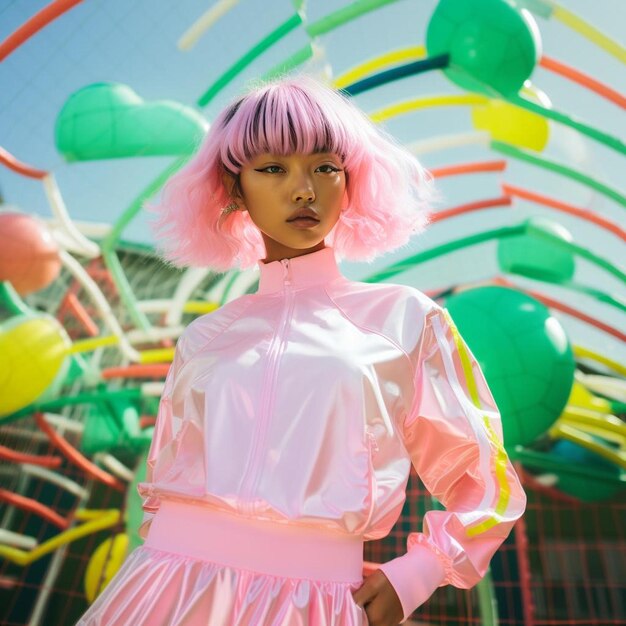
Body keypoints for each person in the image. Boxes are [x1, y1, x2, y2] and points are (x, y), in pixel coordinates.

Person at [76, 73, 526, 626]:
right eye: (272, 168)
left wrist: (420, 572)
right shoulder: (204, 337)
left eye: (324, 167)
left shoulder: (405, 319)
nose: (303, 189)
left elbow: (487, 480)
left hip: (315, 602)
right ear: (233, 188)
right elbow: (160, 488)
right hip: (166, 587)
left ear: (351, 180)